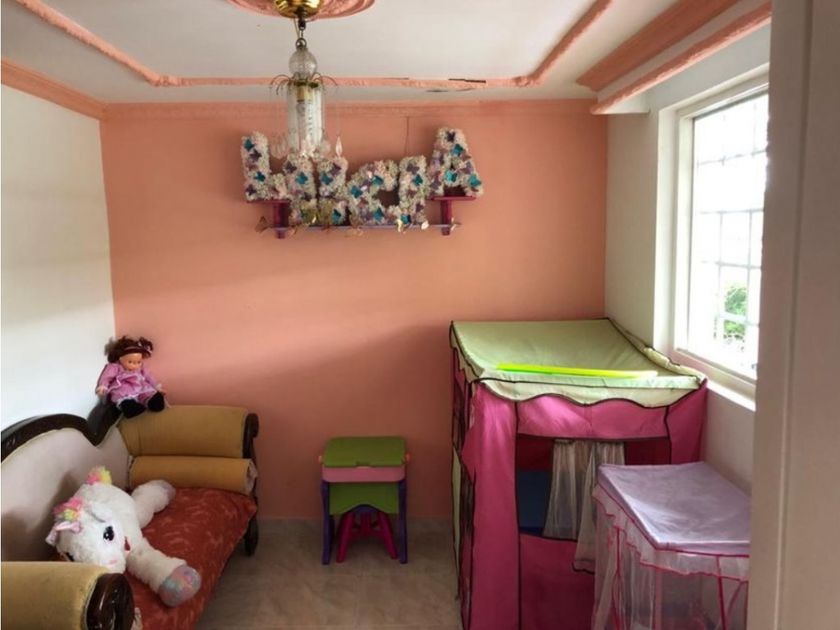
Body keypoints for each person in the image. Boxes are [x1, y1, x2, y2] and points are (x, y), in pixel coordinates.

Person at [96, 336, 166, 418]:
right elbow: (107, 376)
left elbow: (149, 376)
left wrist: (157, 386)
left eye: (138, 362)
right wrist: (103, 386)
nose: (135, 365)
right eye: (130, 362)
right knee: (123, 399)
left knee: (147, 393)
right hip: (124, 388)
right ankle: (130, 407)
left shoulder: (141, 367)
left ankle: (152, 401)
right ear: (120, 358)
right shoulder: (115, 367)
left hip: (140, 387)